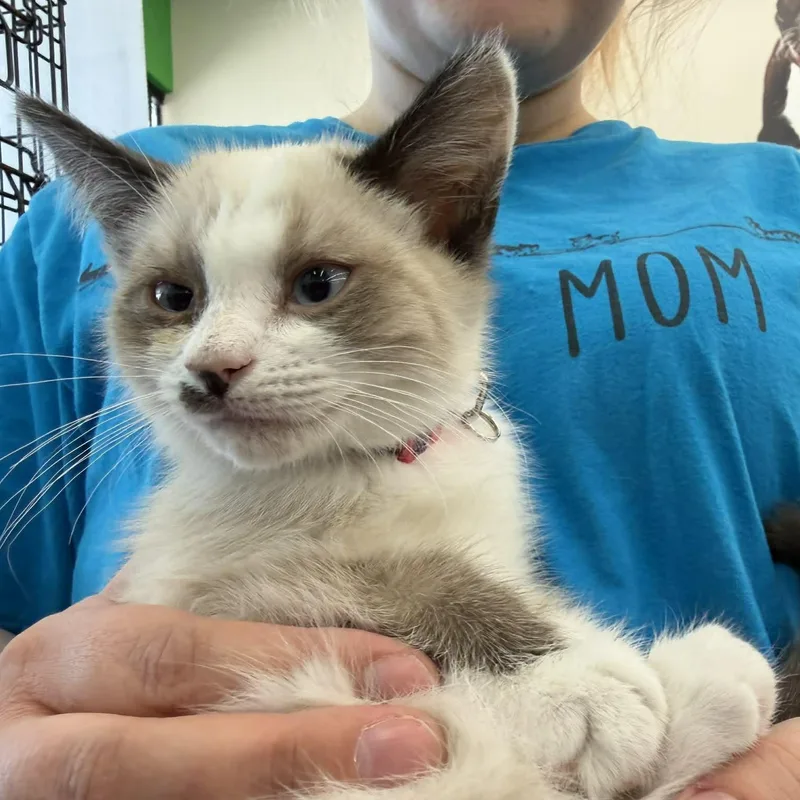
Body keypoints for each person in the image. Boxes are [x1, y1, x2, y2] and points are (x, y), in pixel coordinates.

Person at [0, 0, 798, 797]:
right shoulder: (66, 240)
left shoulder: (783, 200)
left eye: (316, 285)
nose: (215, 357)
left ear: (447, 213)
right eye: (173, 298)